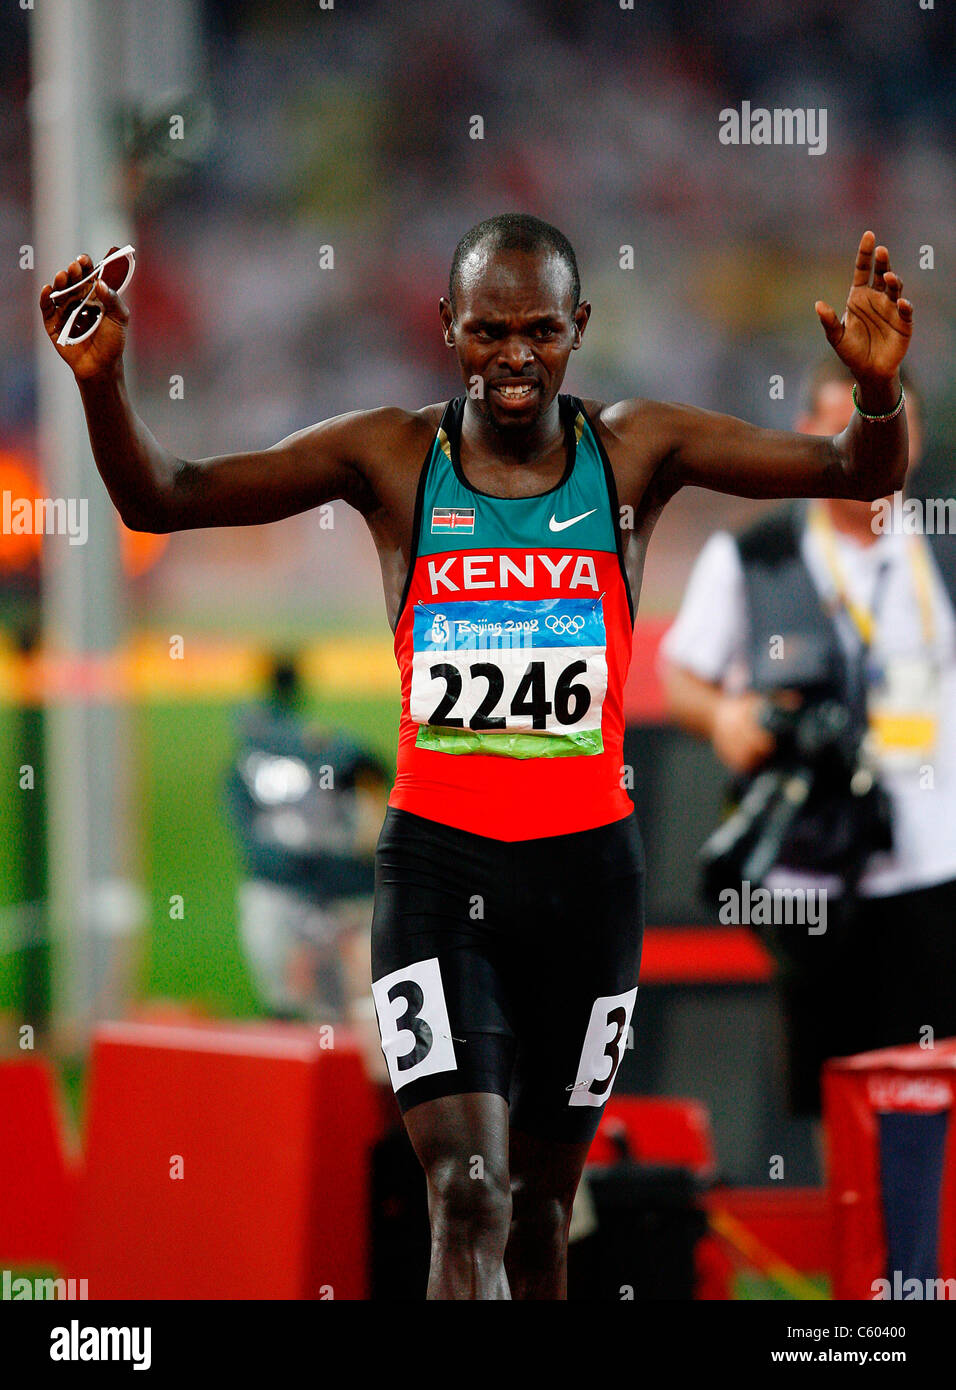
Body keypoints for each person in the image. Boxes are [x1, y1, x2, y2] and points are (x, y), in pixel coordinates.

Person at [40, 214, 913, 1299]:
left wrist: (877, 394)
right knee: (467, 1190)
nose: (514, 358)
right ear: (444, 325)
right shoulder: (392, 457)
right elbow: (163, 497)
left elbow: (850, 469)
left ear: (577, 328)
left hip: (587, 882)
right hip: (439, 872)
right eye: (488, 331)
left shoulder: (634, 449)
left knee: (546, 1214)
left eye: (539, 331)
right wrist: (101, 382)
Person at [659, 360, 956, 1117]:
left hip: (934, 862)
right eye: (839, 425)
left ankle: (925, 1237)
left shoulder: (945, 549)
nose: (863, 442)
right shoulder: (755, 556)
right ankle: (852, 1229)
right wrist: (727, 718)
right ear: (806, 436)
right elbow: (681, 675)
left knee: (934, 1081)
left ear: (912, 436)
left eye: (886, 423)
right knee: (832, 1088)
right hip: (809, 870)